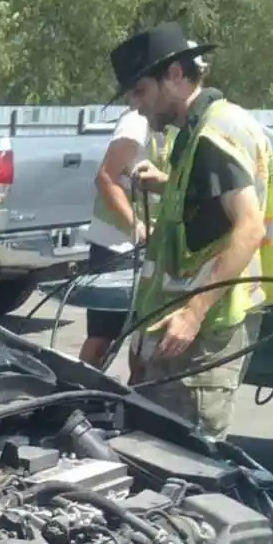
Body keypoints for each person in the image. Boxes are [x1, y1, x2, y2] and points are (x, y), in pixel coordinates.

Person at [109, 22, 273, 441]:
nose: (136, 107)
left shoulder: (212, 135)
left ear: (174, 75)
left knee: (187, 454)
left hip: (204, 329)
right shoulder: (205, 126)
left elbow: (248, 227)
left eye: (140, 92)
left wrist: (193, 314)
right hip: (190, 324)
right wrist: (168, 183)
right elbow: (211, 206)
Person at [78, 107, 163, 370]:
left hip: (154, 247)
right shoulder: (137, 122)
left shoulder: (179, 123)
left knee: (144, 334)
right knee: (104, 336)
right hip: (117, 245)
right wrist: (135, 225)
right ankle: (78, 396)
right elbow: (106, 178)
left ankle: (133, 399)